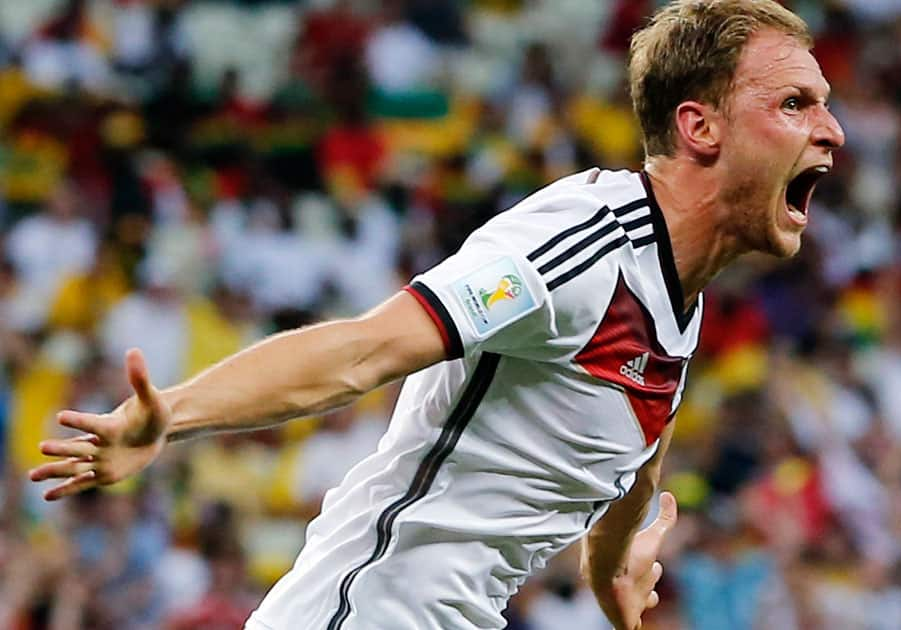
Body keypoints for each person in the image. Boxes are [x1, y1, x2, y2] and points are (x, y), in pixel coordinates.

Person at [29, 1, 845, 628]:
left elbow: (639, 444)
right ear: (698, 126)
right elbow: (365, 349)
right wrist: (174, 415)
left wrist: (615, 562)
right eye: (795, 104)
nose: (832, 132)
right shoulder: (583, 245)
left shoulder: (679, 296)